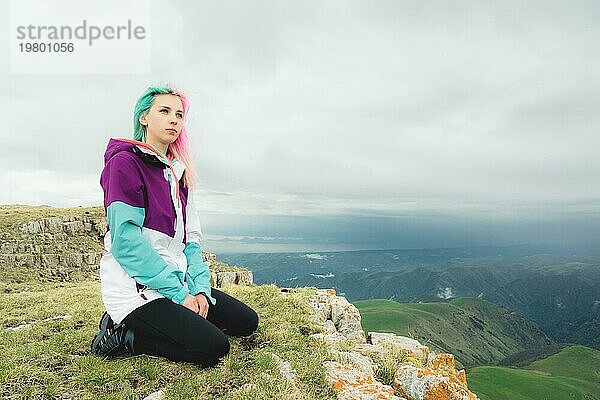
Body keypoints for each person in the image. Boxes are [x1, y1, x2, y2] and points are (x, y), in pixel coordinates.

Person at [91, 84, 258, 368]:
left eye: (179, 115)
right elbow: (125, 244)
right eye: (165, 111)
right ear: (144, 117)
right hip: (137, 289)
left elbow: (190, 242)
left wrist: (200, 291)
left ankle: (174, 315)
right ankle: (122, 333)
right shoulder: (125, 164)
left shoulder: (179, 173)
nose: (174, 120)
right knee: (213, 347)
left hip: (176, 283)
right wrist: (180, 295)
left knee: (246, 322)